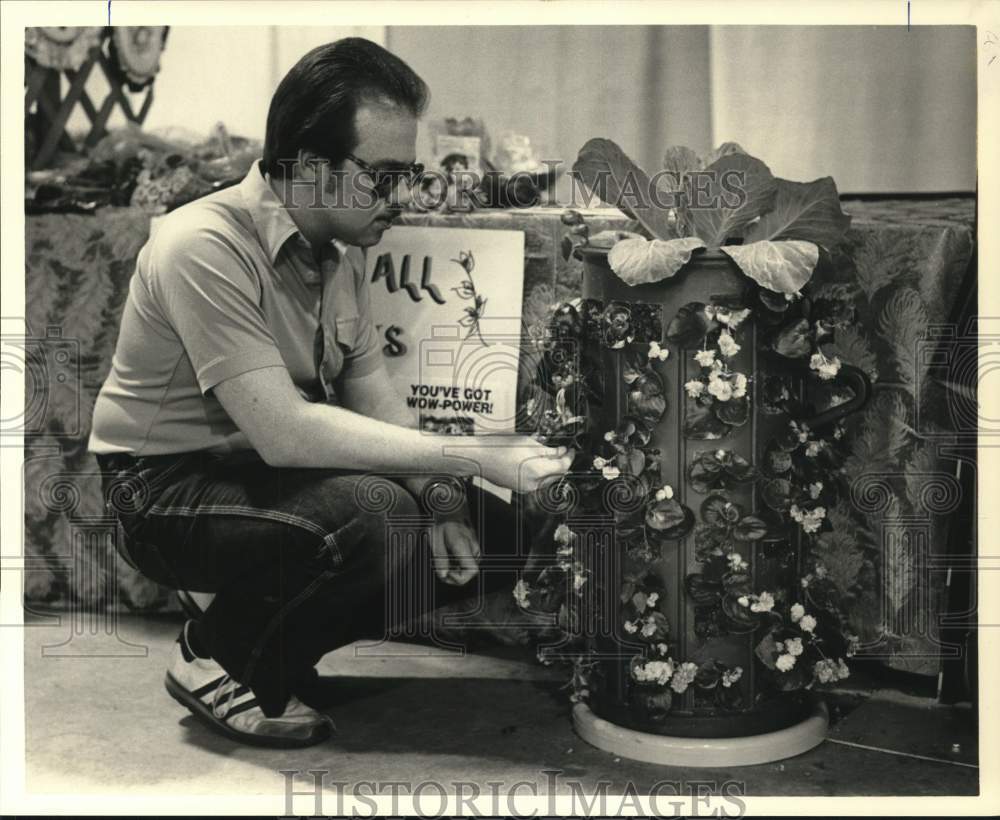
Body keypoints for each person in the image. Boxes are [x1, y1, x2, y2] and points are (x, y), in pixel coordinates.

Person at [88, 38, 572, 749]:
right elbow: (285, 432)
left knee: (492, 534)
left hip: (254, 478)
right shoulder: (203, 243)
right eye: (382, 176)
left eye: (408, 174)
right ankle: (217, 655)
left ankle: (274, 642)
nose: (401, 198)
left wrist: (443, 493)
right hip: (162, 491)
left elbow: (374, 402)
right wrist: (476, 454)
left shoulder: (336, 259)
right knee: (373, 517)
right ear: (312, 170)